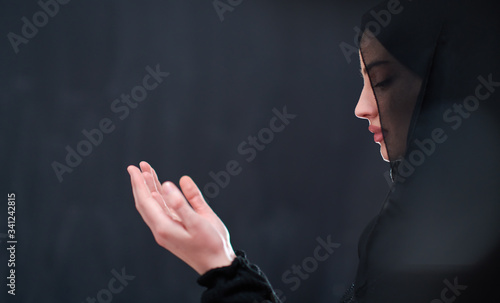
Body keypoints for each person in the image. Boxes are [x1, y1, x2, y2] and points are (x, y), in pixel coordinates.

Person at [127, 0, 500, 301]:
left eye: (382, 80)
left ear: (448, 83)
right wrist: (219, 263)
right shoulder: (411, 223)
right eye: (363, 82)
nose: (362, 107)